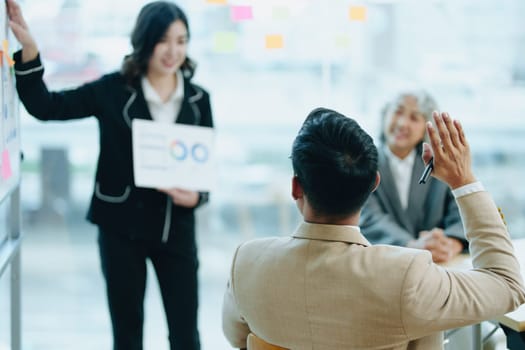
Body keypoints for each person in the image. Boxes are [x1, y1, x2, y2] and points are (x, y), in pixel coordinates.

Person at [222, 107, 525, 349]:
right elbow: (508, 284)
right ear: (373, 185)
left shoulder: (246, 262)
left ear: (296, 187)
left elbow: (237, 338)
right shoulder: (406, 277)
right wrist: (464, 180)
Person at [8, 1, 213, 349]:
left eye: (181, 40)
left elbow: (204, 168)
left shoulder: (198, 99)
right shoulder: (112, 90)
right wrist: (29, 51)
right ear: (145, 41)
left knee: (185, 335)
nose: (173, 51)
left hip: (175, 228)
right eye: (164, 40)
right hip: (121, 228)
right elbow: (46, 107)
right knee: (127, 335)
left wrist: (198, 197)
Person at [360, 91, 466, 263]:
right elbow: (369, 217)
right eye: (398, 112)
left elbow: (461, 211)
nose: (402, 123)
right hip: (384, 264)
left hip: (438, 266)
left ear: (427, 127)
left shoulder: (439, 164)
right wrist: (411, 246)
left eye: (414, 118)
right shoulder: (364, 163)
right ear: (385, 115)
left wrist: (451, 244)